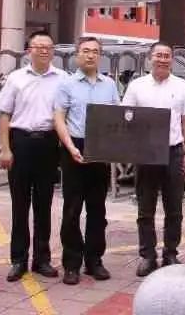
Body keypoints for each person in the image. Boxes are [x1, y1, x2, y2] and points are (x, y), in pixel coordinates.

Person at [121, 43, 185, 277]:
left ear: (172, 60)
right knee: (145, 208)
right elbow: (126, 117)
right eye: (159, 55)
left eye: (167, 56)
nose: (163, 59)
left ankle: (170, 253)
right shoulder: (137, 86)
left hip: (174, 152)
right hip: (146, 154)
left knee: (174, 207)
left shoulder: (182, 86)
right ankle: (148, 255)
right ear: (150, 58)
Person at [0, 30, 66, 282]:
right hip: (21, 143)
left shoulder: (62, 79)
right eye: (38, 46)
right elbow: (4, 114)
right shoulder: (15, 78)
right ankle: (18, 259)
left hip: (48, 144)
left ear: (53, 51)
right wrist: (5, 149)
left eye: (48, 47)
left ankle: (42, 259)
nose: (44, 50)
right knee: (20, 204)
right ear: (29, 50)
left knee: (44, 204)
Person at [54, 36, 120, 285]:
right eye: (85, 51)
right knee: (72, 209)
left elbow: (116, 117)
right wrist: (70, 147)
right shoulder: (67, 84)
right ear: (77, 55)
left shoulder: (109, 84)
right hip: (74, 147)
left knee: (97, 209)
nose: (90, 55)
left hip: (100, 150)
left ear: (100, 55)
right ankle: (71, 264)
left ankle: (94, 261)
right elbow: (59, 118)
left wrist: (113, 148)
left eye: (94, 51)